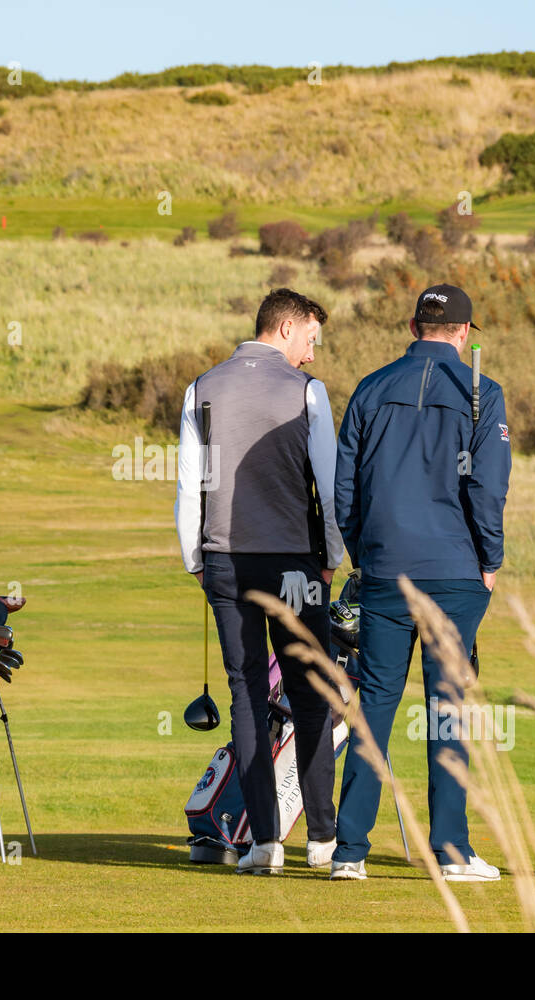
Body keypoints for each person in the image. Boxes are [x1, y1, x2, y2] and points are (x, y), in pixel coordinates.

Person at [332, 284, 510, 882]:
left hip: (384, 569)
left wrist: (365, 552)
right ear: (464, 332)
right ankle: (452, 851)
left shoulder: (370, 387)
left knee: (374, 704)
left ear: (415, 326)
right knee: (447, 709)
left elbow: (344, 491)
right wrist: (492, 559)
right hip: (456, 571)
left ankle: (349, 852)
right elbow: (487, 489)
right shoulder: (484, 394)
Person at [175, 288, 345, 876]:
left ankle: (265, 843)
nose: (312, 354)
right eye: (311, 340)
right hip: (296, 563)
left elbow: (188, 486)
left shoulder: (202, 388)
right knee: (310, 692)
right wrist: (332, 559)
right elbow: (330, 482)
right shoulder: (306, 392)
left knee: (246, 696)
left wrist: (195, 559)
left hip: (224, 561)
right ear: (288, 328)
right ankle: (322, 839)